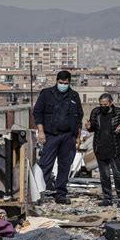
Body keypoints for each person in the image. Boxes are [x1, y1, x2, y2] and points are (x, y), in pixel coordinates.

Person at [33, 70, 84, 205]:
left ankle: (60, 193)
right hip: (51, 135)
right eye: (61, 83)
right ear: (56, 81)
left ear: (69, 82)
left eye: (65, 83)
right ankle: (38, 193)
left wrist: (78, 138)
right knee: (45, 165)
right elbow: (38, 112)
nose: (63, 85)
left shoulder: (74, 96)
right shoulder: (47, 94)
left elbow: (79, 118)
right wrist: (41, 132)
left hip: (68, 136)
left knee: (65, 166)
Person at [85, 93, 120, 208]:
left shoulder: (119, 112)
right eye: (101, 104)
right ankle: (107, 197)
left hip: (115, 148)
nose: (103, 106)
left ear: (110, 103)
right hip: (100, 147)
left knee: (117, 173)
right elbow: (92, 128)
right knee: (104, 175)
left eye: (105, 104)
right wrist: (88, 127)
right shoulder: (96, 112)